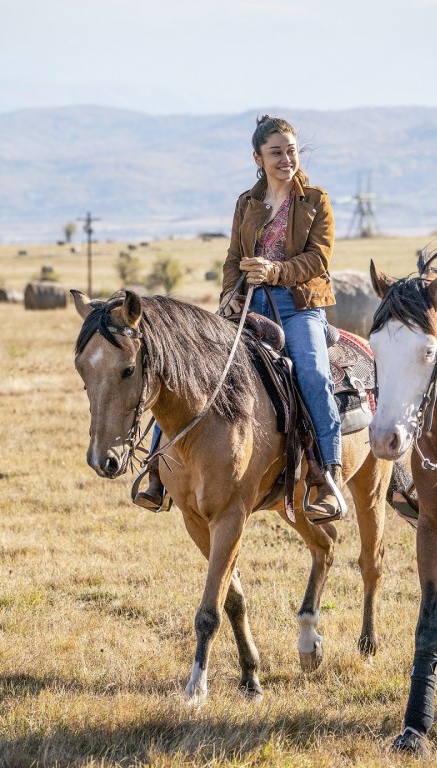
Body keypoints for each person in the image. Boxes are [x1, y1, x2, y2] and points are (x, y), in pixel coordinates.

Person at [135, 115, 345, 522]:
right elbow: (233, 259)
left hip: (299, 305)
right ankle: (157, 471)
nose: (286, 159)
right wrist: (230, 298)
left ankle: (327, 477)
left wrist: (274, 271)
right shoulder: (246, 203)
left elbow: (319, 258)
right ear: (258, 157)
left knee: (313, 372)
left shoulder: (315, 199)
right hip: (249, 303)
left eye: (291, 151)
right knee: (186, 367)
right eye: (276, 152)